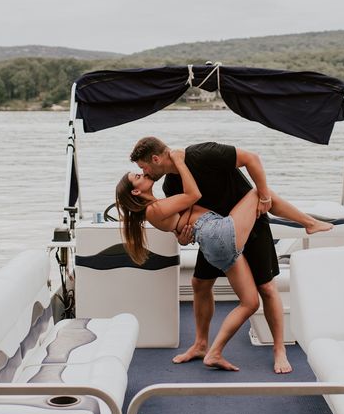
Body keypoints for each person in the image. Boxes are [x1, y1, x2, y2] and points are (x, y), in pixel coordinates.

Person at [127, 137, 332, 373]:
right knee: (200, 284)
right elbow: (181, 220)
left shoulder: (203, 154)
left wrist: (264, 196)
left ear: (155, 159)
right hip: (216, 231)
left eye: (144, 168)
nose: (145, 173)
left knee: (265, 288)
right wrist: (181, 236)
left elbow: (251, 159)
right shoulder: (170, 186)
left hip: (249, 221)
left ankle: (279, 349)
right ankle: (201, 345)